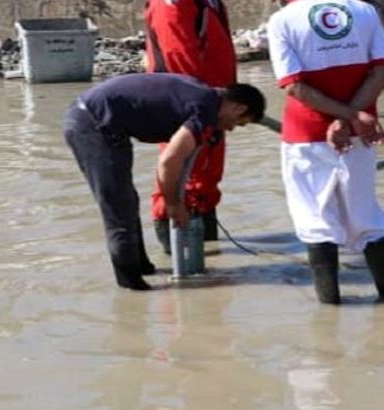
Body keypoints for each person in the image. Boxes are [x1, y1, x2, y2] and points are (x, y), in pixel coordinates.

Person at [262, 0, 384, 304]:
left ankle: (330, 315)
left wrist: (343, 116)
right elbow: (382, 71)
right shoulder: (364, 10)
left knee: (315, 220)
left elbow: (294, 86)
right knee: (366, 216)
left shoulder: (282, 21)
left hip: (306, 136)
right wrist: (354, 116)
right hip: (361, 133)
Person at [62, 74, 265, 291]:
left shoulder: (207, 99)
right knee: (118, 209)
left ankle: (143, 268)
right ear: (238, 108)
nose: (231, 129)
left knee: (127, 200)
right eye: (239, 123)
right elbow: (169, 161)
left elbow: (183, 157)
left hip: (107, 122)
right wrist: (173, 204)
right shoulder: (203, 108)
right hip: (91, 122)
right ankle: (133, 289)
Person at [143, 0, 239, 253]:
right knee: (184, 174)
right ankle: (179, 252)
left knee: (207, 177)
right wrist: (203, 104)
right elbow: (179, 57)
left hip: (213, 103)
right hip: (190, 104)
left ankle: (208, 254)